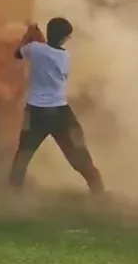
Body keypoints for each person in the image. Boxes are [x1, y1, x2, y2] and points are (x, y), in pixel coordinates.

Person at [8, 17, 105, 195]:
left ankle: (13, 193)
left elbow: (19, 53)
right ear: (65, 38)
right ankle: (98, 191)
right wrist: (37, 36)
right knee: (79, 154)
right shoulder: (64, 56)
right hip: (61, 114)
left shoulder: (34, 49)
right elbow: (48, 52)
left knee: (24, 154)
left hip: (35, 113)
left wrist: (29, 34)